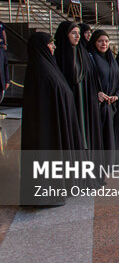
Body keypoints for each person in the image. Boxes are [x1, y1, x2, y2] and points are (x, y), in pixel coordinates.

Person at [20, 32, 85, 205]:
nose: (54, 46)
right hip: (47, 128)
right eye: (50, 44)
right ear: (42, 46)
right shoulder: (39, 70)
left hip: (57, 122)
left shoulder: (48, 66)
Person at [54, 21, 103, 153]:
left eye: (78, 33)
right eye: (73, 33)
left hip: (85, 98)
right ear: (65, 35)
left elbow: (91, 76)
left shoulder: (83, 53)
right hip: (69, 100)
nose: (77, 36)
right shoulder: (58, 54)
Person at [89, 30, 119, 154]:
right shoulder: (90, 58)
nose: (104, 44)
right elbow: (88, 82)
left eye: (106, 41)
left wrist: (116, 95)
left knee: (110, 135)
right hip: (97, 105)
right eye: (100, 41)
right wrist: (96, 93)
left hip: (111, 105)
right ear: (94, 42)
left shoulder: (111, 59)